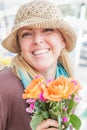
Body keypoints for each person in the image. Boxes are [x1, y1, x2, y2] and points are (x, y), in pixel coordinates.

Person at [0, 0, 77, 130]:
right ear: (20, 46)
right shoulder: (4, 87)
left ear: (62, 40)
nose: (37, 40)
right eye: (27, 34)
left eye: (47, 30)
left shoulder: (67, 89)